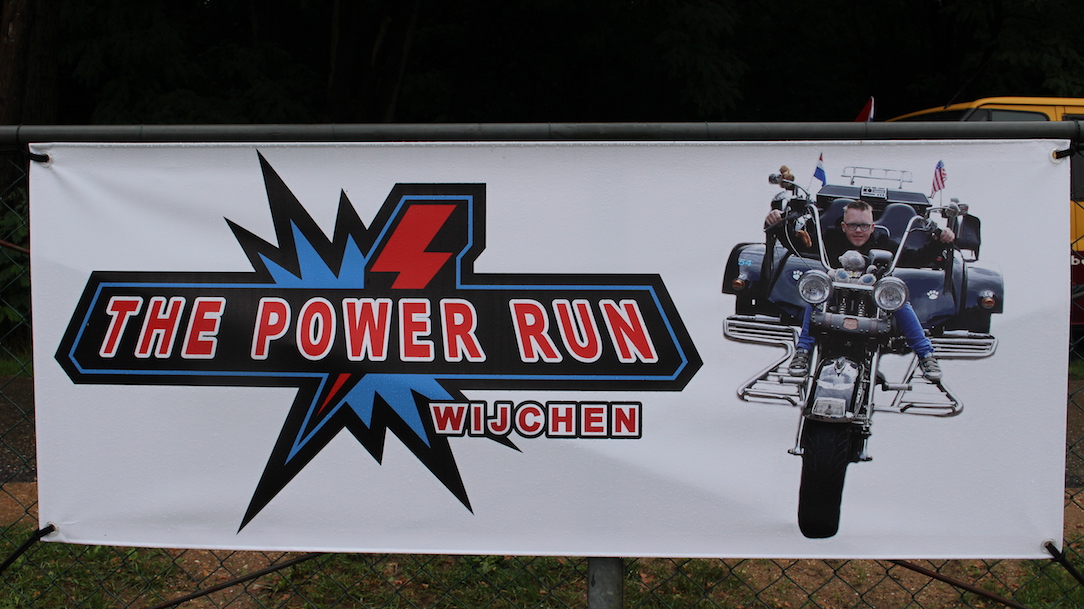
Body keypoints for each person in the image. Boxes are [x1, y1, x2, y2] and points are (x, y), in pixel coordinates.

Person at [766, 199, 955, 382]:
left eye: (864, 226)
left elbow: (915, 258)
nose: (858, 230)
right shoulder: (829, 239)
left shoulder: (884, 243)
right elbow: (798, 245)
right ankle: (802, 351)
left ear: (872, 227)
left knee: (900, 300)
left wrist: (939, 241)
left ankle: (926, 355)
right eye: (853, 225)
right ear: (843, 226)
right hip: (835, 296)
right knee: (817, 294)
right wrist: (778, 223)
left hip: (874, 301)